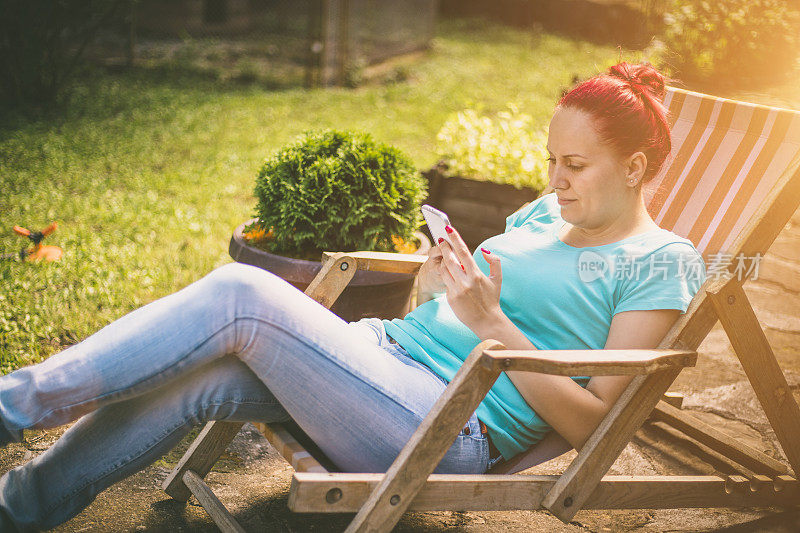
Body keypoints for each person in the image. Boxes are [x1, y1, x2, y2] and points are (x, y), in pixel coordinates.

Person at [0, 61, 705, 531]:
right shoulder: (549, 214)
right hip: (382, 361)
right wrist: (440, 283)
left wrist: (491, 324)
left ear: (636, 167)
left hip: (448, 425)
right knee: (209, 377)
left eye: (575, 165)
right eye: (552, 161)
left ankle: (12, 404)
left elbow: (598, 428)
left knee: (242, 294)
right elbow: (472, 298)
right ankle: (20, 504)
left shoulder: (658, 262)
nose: (555, 180)